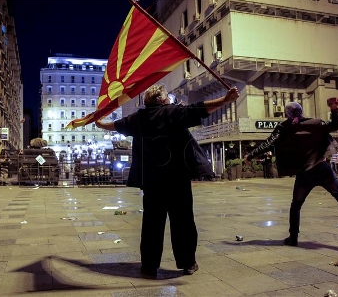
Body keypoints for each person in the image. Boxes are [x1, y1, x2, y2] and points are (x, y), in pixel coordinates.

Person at [96, 83, 239, 278]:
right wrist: (225, 100)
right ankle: (188, 263)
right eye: (167, 96)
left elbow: (116, 125)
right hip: (177, 179)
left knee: (152, 225)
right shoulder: (172, 112)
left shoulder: (138, 118)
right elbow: (199, 109)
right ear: (161, 99)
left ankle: (149, 267)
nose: (169, 99)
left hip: (152, 182)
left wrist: (99, 122)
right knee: (183, 222)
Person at [246, 98, 338, 246]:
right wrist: (333, 109)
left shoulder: (284, 127)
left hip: (305, 173)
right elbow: (334, 125)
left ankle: (293, 237)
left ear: (286, 114)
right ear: (301, 111)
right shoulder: (315, 123)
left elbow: (268, 143)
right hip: (323, 169)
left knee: (296, 205)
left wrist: (250, 155)